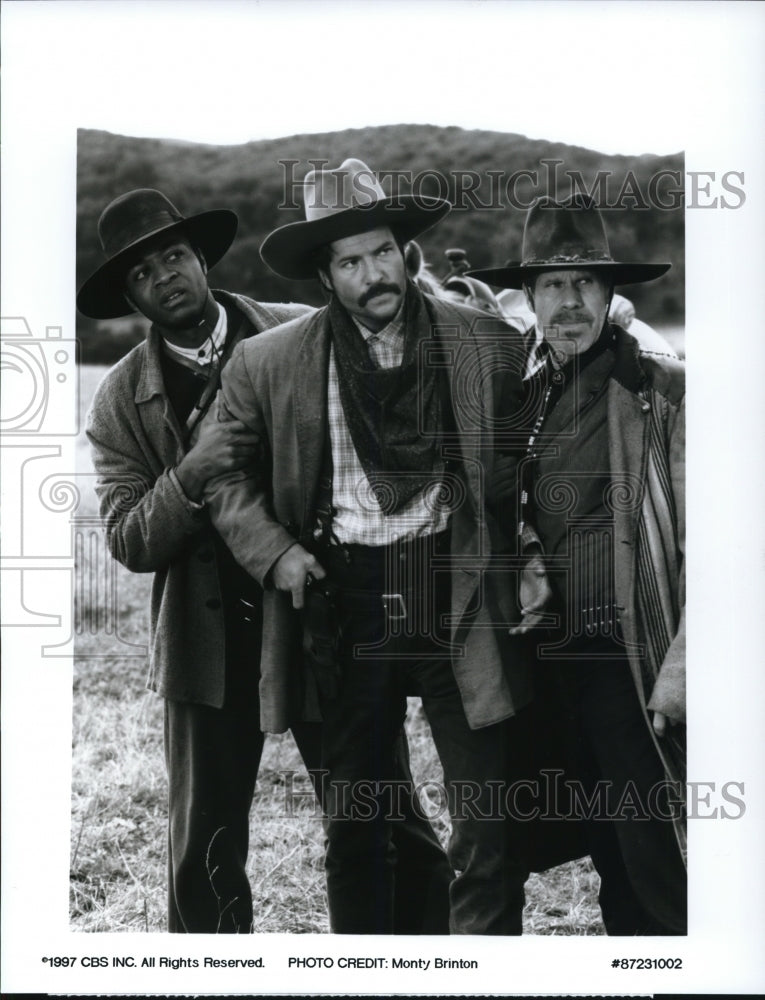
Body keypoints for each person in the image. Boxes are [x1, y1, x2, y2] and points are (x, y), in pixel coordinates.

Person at [77, 187, 452, 934]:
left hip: (318, 617)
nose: (167, 277)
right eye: (144, 273)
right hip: (204, 644)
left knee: (383, 819)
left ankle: (423, 964)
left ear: (201, 258)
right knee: (205, 849)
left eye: (175, 256)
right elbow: (128, 540)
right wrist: (191, 473)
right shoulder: (119, 400)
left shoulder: (300, 332)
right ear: (131, 295)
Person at [204, 158, 552, 935]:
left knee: (485, 824)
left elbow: (537, 451)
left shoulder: (484, 342)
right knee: (357, 823)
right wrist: (275, 552)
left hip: (455, 587)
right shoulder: (270, 361)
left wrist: (527, 549)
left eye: (381, 252)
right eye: (350, 261)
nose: (372, 274)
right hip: (342, 597)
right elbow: (222, 476)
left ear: (407, 253)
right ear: (326, 277)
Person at [469, 194, 687, 934]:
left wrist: (682, 671)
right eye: (553, 285)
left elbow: (721, 548)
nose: (570, 300)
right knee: (598, 845)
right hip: (545, 660)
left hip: (631, 659)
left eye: (586, 282)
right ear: (527, 298)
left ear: (609, 292)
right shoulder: (514, 393)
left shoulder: (661, 388)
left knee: (656, 858)